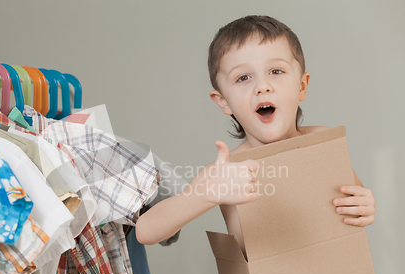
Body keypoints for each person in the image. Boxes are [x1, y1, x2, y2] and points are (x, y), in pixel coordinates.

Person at [135, 15, 375, 249]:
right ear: (223, 102)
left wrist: (365, 205)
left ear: (301, 86)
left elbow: (356, 196)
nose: (262, 86)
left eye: (276, 72)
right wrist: (206, 194)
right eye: (243, 78)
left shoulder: (322, 142)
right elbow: (145, 231)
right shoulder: (224, 171)